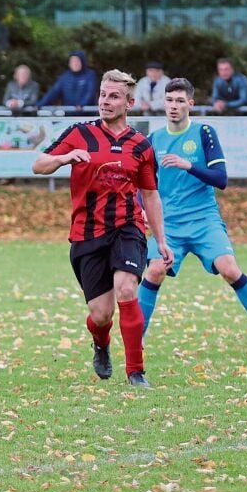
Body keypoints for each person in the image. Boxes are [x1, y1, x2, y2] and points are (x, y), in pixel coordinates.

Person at [138, 78, 247, 357]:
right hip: (170, 225)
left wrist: (188, 165)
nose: (174, 106)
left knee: (229, 268)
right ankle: (135, 343)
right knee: (154, 270)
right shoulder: (153, 140)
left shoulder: (204, 133)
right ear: (163, 103)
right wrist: (141, 207)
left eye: (180, 101)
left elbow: (221, 179)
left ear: (191, 103)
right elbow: (143, 184)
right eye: (169, 100)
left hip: (204, 220)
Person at [32, 69, 172, 388]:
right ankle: (101, 343)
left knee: (126, 290)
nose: (105, 102)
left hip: (127, 228)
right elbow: (37, 165)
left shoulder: (140, 146)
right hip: (86, 232)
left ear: (129, 103)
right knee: (101, 315)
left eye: (113, 97)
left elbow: (150, 194)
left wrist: (161, 241)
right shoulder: (79, 133)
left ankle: (136, 371)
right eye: (102, 95)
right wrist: (65, 157)